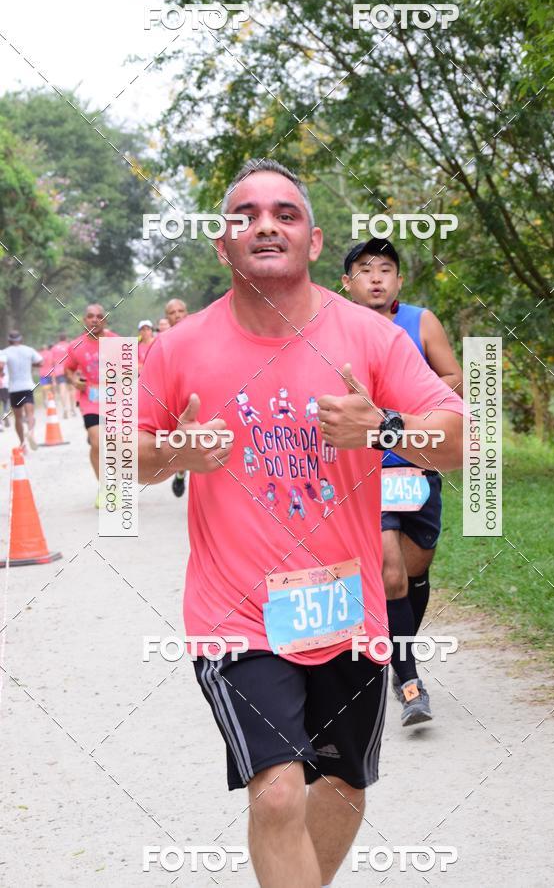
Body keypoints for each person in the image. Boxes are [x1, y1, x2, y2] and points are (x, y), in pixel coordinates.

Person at [138, 159, 463, 888]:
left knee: (344, 786)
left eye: (285, 214)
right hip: (237, 614)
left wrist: (385, 426)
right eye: (245, 214)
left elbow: (464, 437)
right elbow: (117, 462)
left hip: (345, 608)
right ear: (222, 244)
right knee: (279, 788)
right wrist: (169, 451)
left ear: (313, 241)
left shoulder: (373, 338)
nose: (265, 224)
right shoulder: (179, 345)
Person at [342, 237, 463, 727]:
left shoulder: (421, 321)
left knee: (413, 572)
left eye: (386, 269)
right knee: (390, 572)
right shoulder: (332, 328)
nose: (376, 277)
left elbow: (452, 376)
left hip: (418, 459)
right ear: (347, 282)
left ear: (398, 280)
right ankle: (409, 676)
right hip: (367, 467)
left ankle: (398, 645)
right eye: (365, 269)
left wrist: (408, 405)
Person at [64, 304, 118, 507]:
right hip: (91, 400)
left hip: (115, 400)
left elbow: (134, 368)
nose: (95, 320)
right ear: (84, 320)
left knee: (112, 444)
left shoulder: (116, 341)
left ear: (105, 320)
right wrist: (74, 382)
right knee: (97, 442)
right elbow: (68, 370)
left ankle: (114, 481)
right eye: (90, 316)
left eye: (99, 316)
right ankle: (105, 488)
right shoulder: (76, 346)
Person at [163, 298, 189, 497]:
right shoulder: (163, 342)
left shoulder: (198, 335)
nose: (178, 315)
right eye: (173, 312)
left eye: (181, 310)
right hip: (174, 396)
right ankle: (180, 473)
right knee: (182, 439)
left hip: (197, 393)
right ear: (167, 317)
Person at [0, 330, 42, 449]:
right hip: (27, 386)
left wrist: (1, 372)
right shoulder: (29, 350)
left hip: (14, 389)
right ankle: (31, 433)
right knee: (30, 414)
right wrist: (30, 365)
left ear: (9, 341)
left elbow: (1, 365)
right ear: (21, 339)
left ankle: (22, 443)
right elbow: (40, 362)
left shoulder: (5, 352)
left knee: (18, 417)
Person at [51, 333, 76, 418]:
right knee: (71, 389)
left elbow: (52, 362)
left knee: (62, 390)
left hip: (59, 371)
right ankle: (72, 409)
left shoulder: (54, 348)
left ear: (59, 339)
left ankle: (65, 408)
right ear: (66, 338)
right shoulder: (70, 346)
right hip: (69, 370)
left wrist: (53, 376)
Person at [0, 348, 10, 431]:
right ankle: (5, 414)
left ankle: (0, 424)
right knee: (6, 401)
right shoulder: (3, 354)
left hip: (3, 381)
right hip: (4, 382)